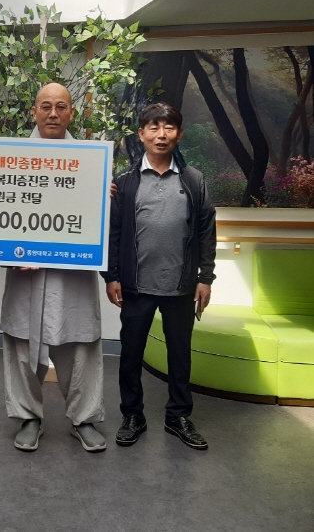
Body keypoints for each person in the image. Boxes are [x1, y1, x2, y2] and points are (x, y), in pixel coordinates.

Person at [102, 102, 216, 450]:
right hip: (136, 285)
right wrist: (111, 275)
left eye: (168, 128)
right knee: (131, 354)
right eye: (154, 127)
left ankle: (178, 416)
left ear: (178, 134)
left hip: (181, 285)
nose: (161, 134)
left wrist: (206, 278)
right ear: (142, 134)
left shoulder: (194, 180)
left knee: (180, 355)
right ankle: (132, 415)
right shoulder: (125, 182)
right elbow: (113, 232)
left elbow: (206, 230)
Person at [1, 83, 106, 453]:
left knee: (81, 343)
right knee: (20, 344)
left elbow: (105, 226)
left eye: (61, 106)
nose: (53, 113)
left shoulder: (92, 162)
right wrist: (10, 253)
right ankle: (28, 417)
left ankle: (84, 418)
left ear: (71, 113)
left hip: (72, 273)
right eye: (45, 106)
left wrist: (105, 200)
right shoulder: (11, 159)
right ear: (34, 112)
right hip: (25, 271)